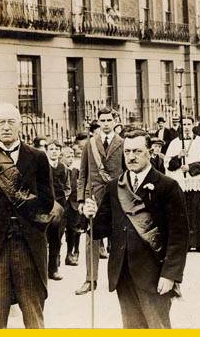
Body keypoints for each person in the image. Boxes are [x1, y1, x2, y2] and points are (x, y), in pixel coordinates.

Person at [82, 130, 188, 329]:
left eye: (138, 151)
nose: (131, 156)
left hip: (154, 274)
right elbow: (99, 230)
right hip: (122, 273)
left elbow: (179, 237)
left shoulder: (168, 186)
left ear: (150, 152)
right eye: (127, 151)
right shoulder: (115, 187)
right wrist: (90, 214)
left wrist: (170, 275)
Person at [0, 103, 55, 328]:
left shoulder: (37, 157)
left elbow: (47, 203)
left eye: (11, 121)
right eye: (1, 122)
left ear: (20, 125)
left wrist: (29, 223)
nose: (6, 127)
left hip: (29, 245)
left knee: (33, 314)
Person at [76, 107, 125, 295]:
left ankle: (117, 278)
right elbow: (83, 173)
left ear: (114, 121)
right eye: (102, 120)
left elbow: (126, 172)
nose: (105, 124)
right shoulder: (90, 144)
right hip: (94, 197)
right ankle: (90, 279)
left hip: (116, 196)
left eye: (108, 120)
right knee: (91, 239)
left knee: (117, 237)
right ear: (98, 122)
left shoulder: (122, 143)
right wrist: (81, 198)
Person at [165, 116, 200, 253]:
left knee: (198, 212)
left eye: (188, 124)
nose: (186, 127)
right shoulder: (174, 143)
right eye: (183, 124)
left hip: (197, 182)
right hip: (181, 183)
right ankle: (185, 244)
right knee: (183, 213)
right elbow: (168, 165)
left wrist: (190, 168)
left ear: (193, 125)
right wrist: (178, 157)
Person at [45, 139, 70, 281]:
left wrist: (61, 202)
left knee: (56, 239)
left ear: (60, 151)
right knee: (44, 239)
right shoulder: (43, 166)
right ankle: (43, 268)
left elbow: (67, 187)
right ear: (47, 151)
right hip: (46, 207)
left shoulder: (63, 167)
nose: (54, 151)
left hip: (60, 208)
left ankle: (53, 270)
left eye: (56, 149)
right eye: (51, 149)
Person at [62, 146, 84, 266]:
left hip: (74, 204)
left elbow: (80, 186)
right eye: (67, 157)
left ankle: (74, 252)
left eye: (71, 156)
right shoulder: (61, 169)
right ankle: (64, 254)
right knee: (63, 230)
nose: (70, 159)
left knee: (75, 229)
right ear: (62, 158)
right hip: (64, 204)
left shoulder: (76, 171)